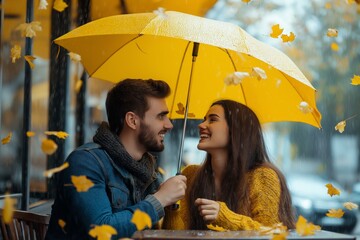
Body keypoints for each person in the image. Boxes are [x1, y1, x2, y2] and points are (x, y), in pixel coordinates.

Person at [46, 79, 187, 239]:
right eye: (161, 116)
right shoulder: (86, 162)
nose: (169, 125)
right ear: (132, 120)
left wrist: (171, 205)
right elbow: (101, 230)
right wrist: (159, 200)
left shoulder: (147, 171)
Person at [162, 99, 295, 230]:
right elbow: (176, 234)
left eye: (212, 119)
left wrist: (225, 217)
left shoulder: (263, 177)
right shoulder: (190, 175)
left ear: (236, 129)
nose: (201, 125)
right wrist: (172, 208)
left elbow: (270, 232)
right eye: (204, 120)